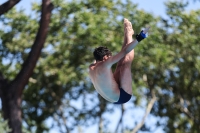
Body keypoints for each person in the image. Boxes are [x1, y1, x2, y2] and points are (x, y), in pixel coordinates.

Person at [89, 18, 149, 104]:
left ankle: (127, 33)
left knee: (121, 62)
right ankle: (128, 34)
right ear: (105, 57)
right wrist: (139, 38)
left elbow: (123, 53)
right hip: (123, 96)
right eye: (110, 57)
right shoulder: (105, 64)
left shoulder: (91, 67)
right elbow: (124, 52)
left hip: (113, 96)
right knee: (125, 64)